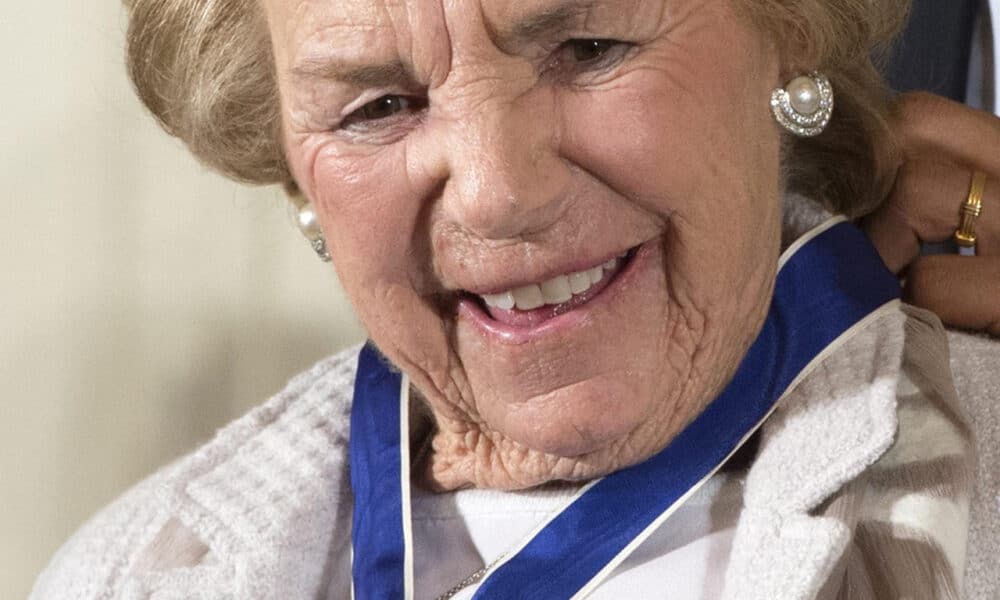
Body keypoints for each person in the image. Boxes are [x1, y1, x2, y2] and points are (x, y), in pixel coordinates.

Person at [29, 0, 1000, 598]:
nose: (498, 192)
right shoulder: (127, 576)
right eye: (377, 106)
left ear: (784, 31)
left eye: (586, 46)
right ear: (291, 165)